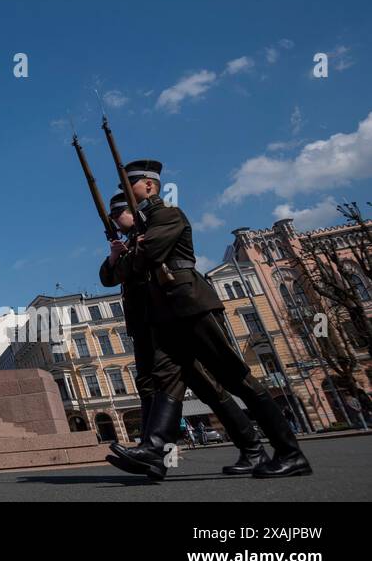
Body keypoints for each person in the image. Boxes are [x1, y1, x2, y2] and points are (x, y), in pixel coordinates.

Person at [107, 159, 311, 478]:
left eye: (128, 187)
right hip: (167, 315)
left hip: (191, 306)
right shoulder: (145, 229)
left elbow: (147, 257)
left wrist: (135, 254)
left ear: (149, 185)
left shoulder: (168, 215)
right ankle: (154, 449)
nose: (124, 195)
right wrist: (130, 254)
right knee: (167, 379)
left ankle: (289, 452)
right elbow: (121, 271)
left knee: (234, 377)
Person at [101, 192, 266, 479]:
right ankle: (155, 457)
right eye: (113, 217)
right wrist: (116, 256)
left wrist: (128, 257)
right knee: (152, 385)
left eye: (119, 214)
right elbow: (109, 278)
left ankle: (254, 448)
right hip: (145, 323)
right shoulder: (130, 243)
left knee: (205, 384)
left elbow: (141, 264)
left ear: (133, 211)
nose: (116, 221)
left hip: (174, 317)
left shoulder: (155, 230)